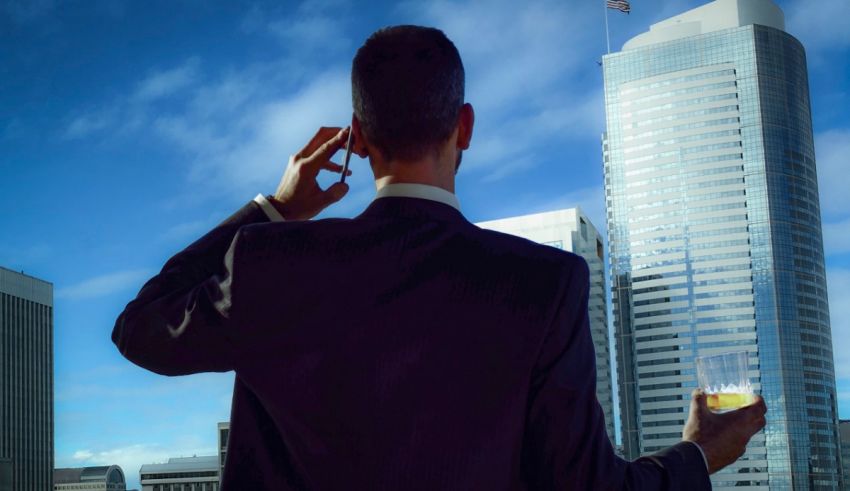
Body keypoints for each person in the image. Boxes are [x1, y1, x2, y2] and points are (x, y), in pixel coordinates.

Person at [112, 25, 766, 490]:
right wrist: (698, 454)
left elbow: (140, 325)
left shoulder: (269, 262)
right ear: (466, 127)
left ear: (359, 138)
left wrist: (276, 207)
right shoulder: (544, 283)